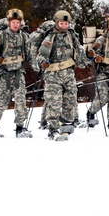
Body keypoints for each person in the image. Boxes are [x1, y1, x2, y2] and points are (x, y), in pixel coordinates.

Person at [36, 10, 84, 138]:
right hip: (53, 75)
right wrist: (42, 62)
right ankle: (53, 129)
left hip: (69, 75)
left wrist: (89, 56)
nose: (64, 26)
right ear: (57, 23)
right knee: (54, 103)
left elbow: (79, 54)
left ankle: (63, 123)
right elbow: (41, 54)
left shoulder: (72, 37)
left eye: (66, 23)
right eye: (62, 23)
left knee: (71, 103)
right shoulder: (50, 37)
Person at [0, 8, 31, 138]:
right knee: (2, 102)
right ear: (8, 22)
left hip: (18, 73)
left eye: (18, 22)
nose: (16, 24)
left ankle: (20, 127)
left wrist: (38, 66)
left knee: (21, 100)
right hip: (3, 74)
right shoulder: (0, 36)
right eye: (13, 22)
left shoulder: (24, 37)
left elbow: (29, 55)